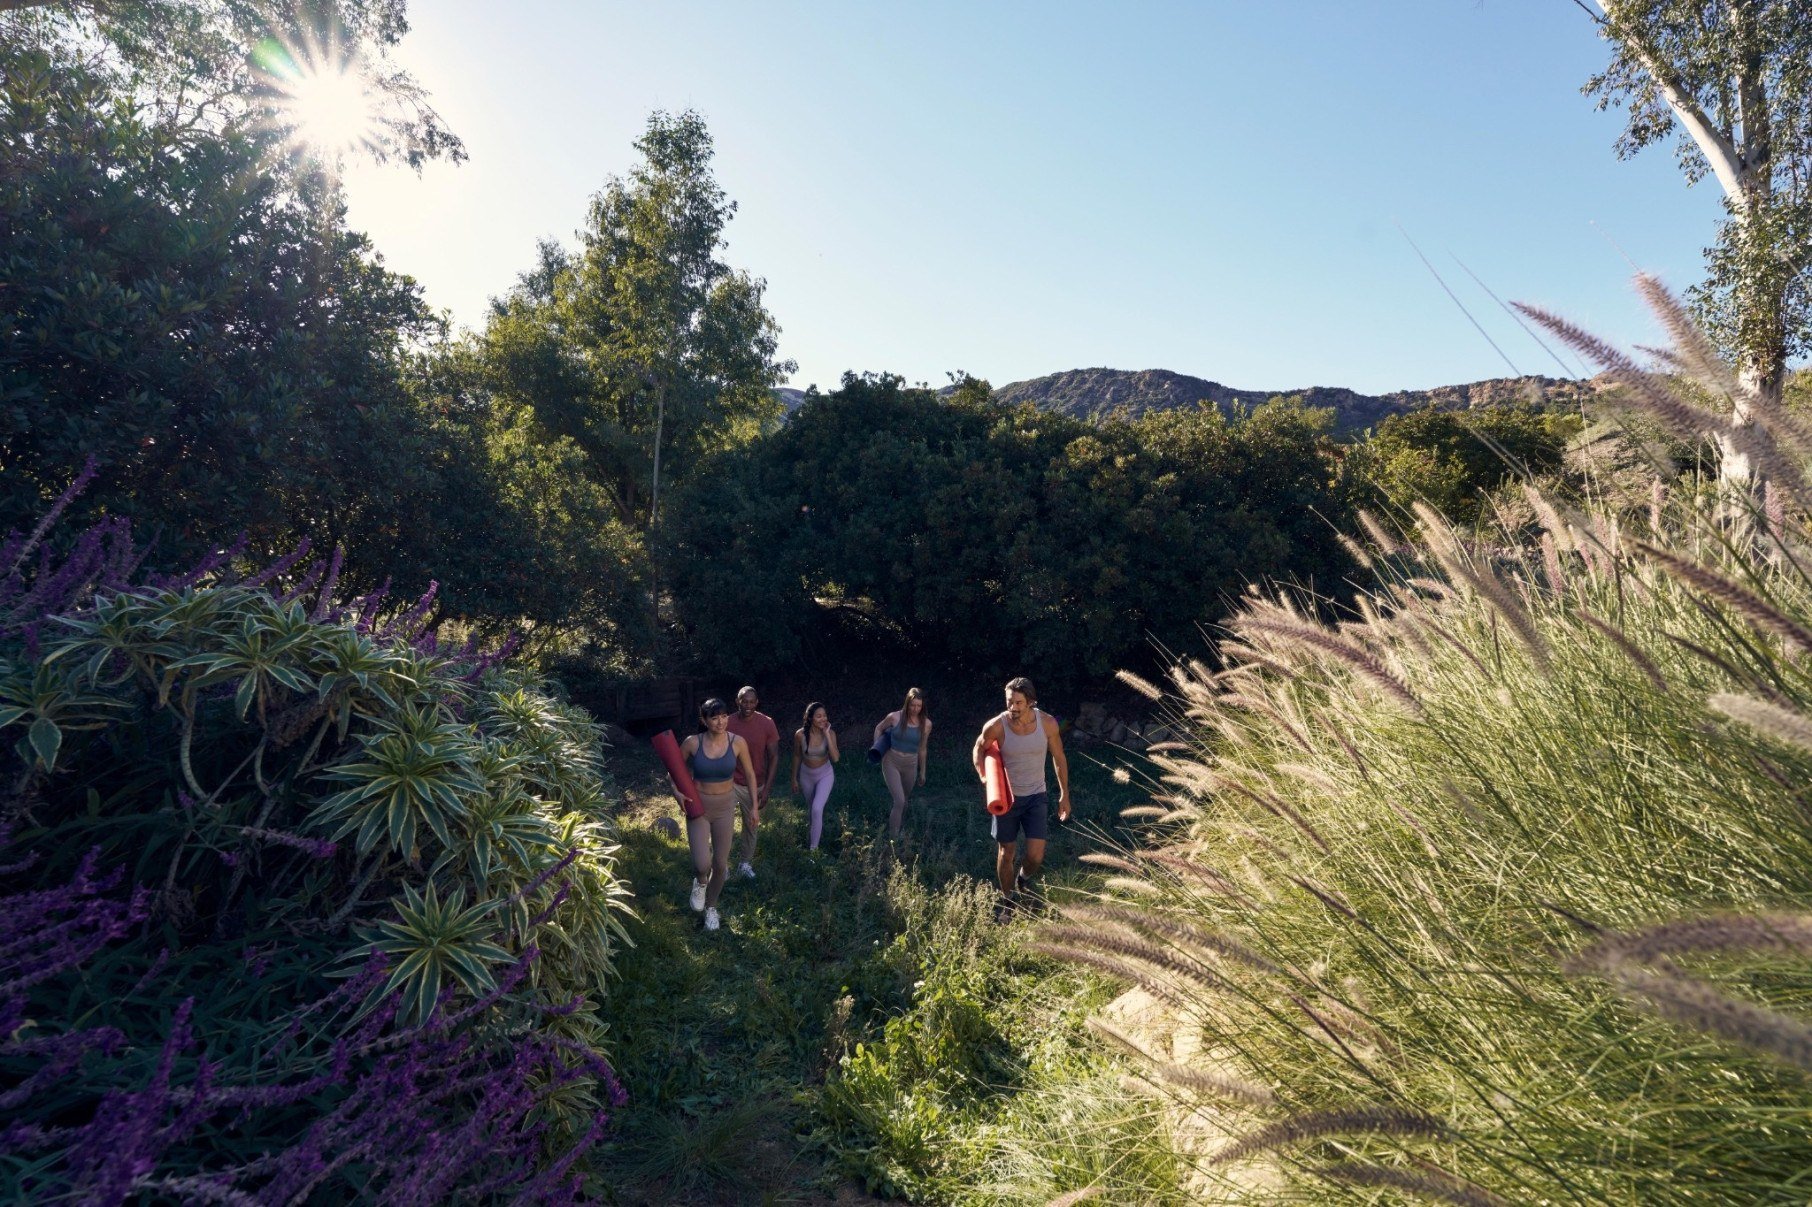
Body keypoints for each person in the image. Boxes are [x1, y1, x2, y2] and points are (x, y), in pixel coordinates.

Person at [972, 677, 1071, 923]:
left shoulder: (1047, 724)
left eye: (1018, 702)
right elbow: (978, 748)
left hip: (1037, 795)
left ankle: (1022, 881)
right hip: (1007, 798)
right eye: (1009, 702)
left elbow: (1059, 758)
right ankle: (1008, 902)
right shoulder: (996, 726)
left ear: (1030, 702)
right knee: (1007, 853)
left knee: (1036, 856)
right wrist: (985, 777)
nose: (1012, 707)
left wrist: (1064, 794)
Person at [673, 698, 761, 932]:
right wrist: (676, 793)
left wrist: (753, 807)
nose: (720, 721)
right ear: (704, 720)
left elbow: (751, 775)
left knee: (720, 865)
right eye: (714, 717)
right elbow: (673, 770)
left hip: (725, 807)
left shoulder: (737, 742)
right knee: (703, 864)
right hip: (698, 808)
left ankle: (711, 908)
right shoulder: (692, 743)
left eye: (723, 716)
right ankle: (701, 882)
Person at [726, 685, 780, 880]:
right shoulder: (727, 722)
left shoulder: (767, 723)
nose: (747, 705)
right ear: (737, 701)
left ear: (756, 703)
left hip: (756, 783)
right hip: (730, 781)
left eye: (751, 701)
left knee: (751, 825)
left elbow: (774, 757)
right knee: (724, 824)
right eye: (743, 701)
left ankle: (744, 863)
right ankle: (721, 865)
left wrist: (766, 789)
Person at [874, 687, 931, 839]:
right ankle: (893, 840)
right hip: (891, 760)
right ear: (907, 703)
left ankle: (900, 827)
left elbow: (922, 749)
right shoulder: (894, 717)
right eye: (913, 705)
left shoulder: (926, 724)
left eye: (919, 706)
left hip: (910, 764)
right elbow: (879, 728)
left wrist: (922, 771)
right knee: (899, 800)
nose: (915, 709)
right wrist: (877, 748)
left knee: (904, 801)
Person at [792, 701, 840, 851]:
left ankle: (814, 850)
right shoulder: (800, 735)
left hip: (825, 774)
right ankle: (814, 834)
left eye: (824, 716)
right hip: (806, 775)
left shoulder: (830, 733)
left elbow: (836, 758)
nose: (823, 719)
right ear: (810, 718)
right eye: (818, 716)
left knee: (817, 809)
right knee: (812, 808)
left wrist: (827, 734)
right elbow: (796, 757)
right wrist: (793, 778)